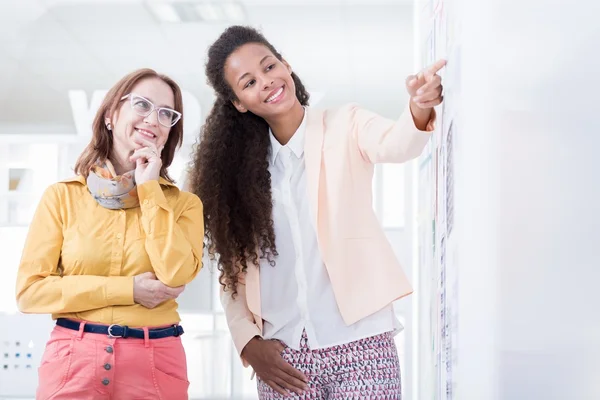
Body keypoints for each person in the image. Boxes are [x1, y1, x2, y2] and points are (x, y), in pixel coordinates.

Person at [188, 25, 444, 399]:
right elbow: (232, 273)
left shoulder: (346, 124)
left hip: (361, 341)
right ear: (239, 103)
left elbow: (398, 144)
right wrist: (248, 344)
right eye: (249, 82)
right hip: (283, 357)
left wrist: (419, 105)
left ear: (286, 65)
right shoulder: (236, 176)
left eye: (269, 66)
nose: (267, 81)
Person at [15, 68, 203, 400]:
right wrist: (129, 289)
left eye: (166, 114)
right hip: (72, 360)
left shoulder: (184, 205)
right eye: (142, 105)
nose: (153, 119)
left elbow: (175, 274)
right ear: (112, 115)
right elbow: (31, 292)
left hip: (155, 362)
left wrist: (148, 189)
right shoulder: (62, 197)